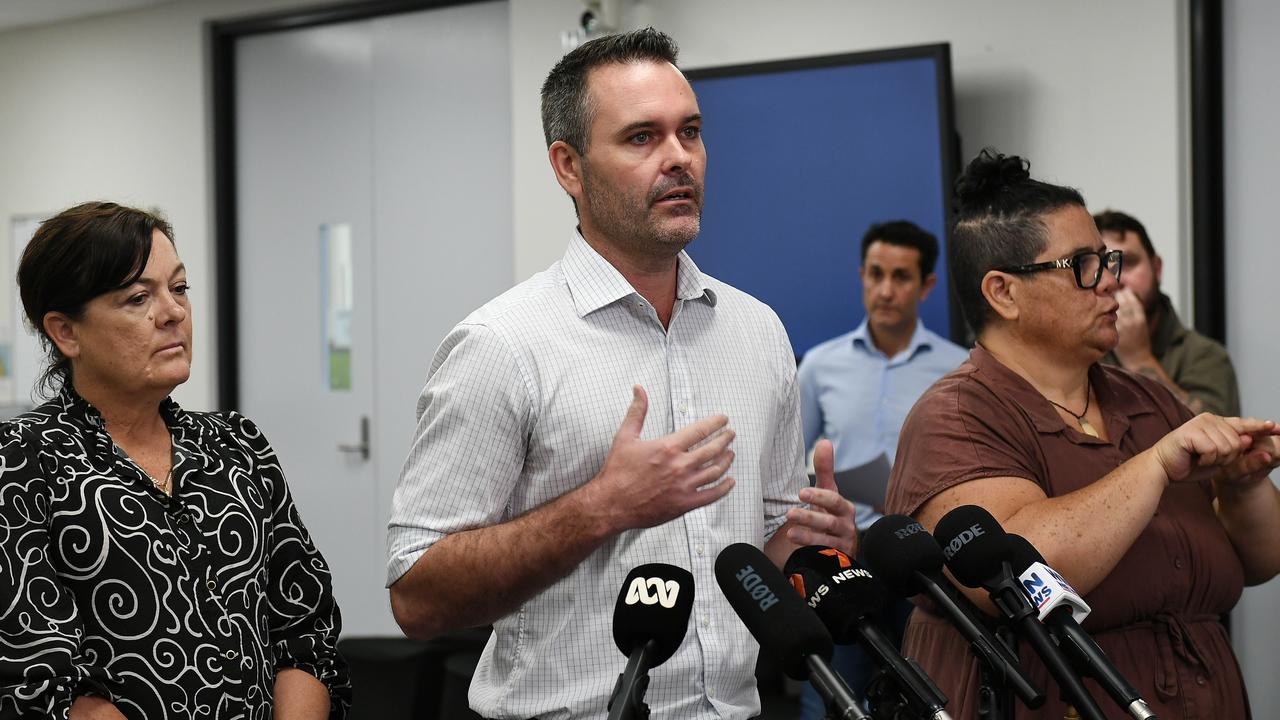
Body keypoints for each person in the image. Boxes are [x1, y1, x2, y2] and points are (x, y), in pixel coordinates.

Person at [385, 28, 857, 720]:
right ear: (568, 167)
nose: (679, 159)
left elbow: (756, 567)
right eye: (642, 138)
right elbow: (417, 597)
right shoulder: (501, 346)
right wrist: (602, 505)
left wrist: (806, 548)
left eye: (689, 132)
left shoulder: (758, 333)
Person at [884, 150, 1280, 718]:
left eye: (1108, 260)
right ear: (1004, 292)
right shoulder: (957, 415)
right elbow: (1019, 574)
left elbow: (1260, 562)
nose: (1111, 283)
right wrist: (1155, 465)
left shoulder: (1145, 399)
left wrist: (1243, 487)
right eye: (1082, 265)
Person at [0, 202, 350, 720]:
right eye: (138, 297)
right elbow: (38, 682)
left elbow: (304, 632)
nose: (173, 313)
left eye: (179, 288)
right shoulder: (23, 463)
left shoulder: (237, 445)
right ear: (66, 332)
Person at [795, 220, 966, 716]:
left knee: (931, 692)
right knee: (832, 694)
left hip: (924, 560)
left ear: (927, 285)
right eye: (875, 274)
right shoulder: (821, 367)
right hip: (843, 555)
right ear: (861, 276)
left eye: (901, 276)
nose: (886, 290)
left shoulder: (957, 370)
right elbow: (789, 467)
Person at [1094, 209, 1240, 416]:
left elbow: (1222, 439)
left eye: (1128, 264)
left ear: (1157, 268)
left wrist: (1139, 359)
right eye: (1102, 268)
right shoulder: (1080, 349)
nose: (1115, 280)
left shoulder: (1205, 356)